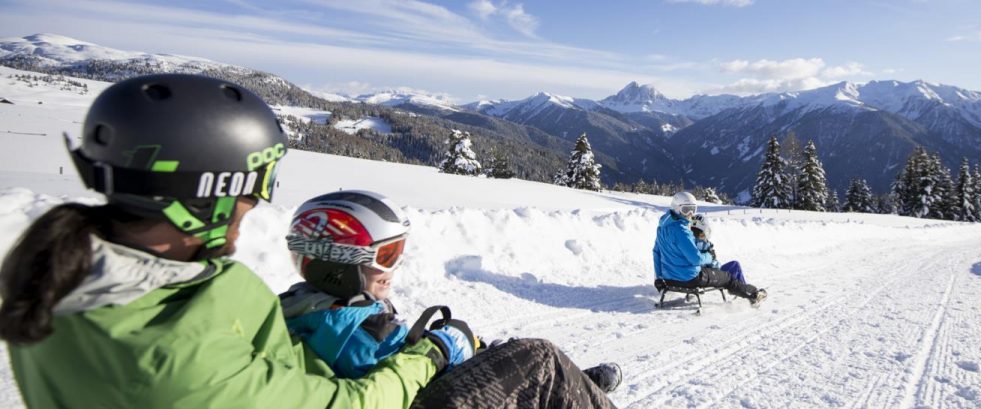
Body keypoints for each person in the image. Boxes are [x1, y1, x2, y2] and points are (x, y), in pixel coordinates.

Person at [0, 74, 613, 409]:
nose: (253, 207)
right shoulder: (168, 364)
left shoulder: (61, 280)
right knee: (535, 357)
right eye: (249, 190)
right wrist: (426, 358)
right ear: (205, 193)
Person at [279, 190, 623, 408]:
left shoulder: (306, 308)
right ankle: (567, 388)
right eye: (387, 255)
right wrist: (446, 349)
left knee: (504, 354)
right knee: (538, 355)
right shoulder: (354, 332)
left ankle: (568, 385)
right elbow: (403, 386)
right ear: (339, 263)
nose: (395, 267)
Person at [653, 192, 767, 305]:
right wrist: (709, 257)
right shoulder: (681, 230)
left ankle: (748, 293)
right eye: (686, 209)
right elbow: (696, 259)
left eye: (693, 209)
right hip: (690, 278)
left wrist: (659, 277)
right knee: (727, 277)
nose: (690, 214)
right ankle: (753, 296)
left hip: (669, 279)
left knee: (721, 272)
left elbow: (656, 252)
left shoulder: (662, 228)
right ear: (676, 208)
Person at [690, 213, 747, 285]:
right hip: (707, 275)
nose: (698, 236)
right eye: (695, 233)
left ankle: (741, 287)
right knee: (735, 265)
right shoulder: (701, 245)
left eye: (700, 234)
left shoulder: (687, 243)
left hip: (700, 275)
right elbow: (707, 264)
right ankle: (743, 288)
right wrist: (713, 259)